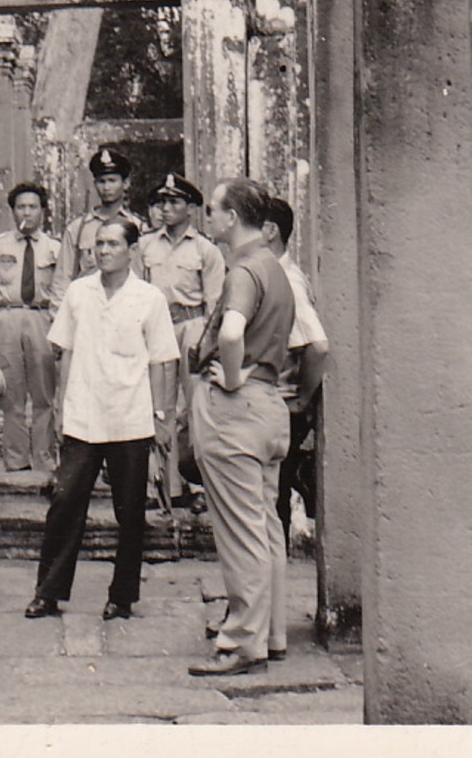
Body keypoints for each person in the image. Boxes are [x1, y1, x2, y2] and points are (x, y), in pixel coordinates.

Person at [24, 218, 179, 621]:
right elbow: (67, 352)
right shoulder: (79, 292)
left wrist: (162, 417)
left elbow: (163, 360)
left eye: (112, 244)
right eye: (98, 245)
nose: (103, 251)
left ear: (132, 251)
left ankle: (122, 596)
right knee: (65, 502)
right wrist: (60, 405)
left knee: (130, 511)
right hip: (83, 415)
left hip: (131, 416)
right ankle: (48, 592)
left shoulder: (149, 299)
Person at [187, 178, 295, 676]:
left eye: (212, 210)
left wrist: (230, 377)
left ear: (232, 219)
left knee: (241, 533)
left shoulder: (243, 270)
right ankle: (270, 634)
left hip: (237, 411)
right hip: (270, 407)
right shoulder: (274, 266)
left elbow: (231, 332)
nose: (208, 218)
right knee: (266, 528)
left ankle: (240, 643)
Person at [136, 173, 225, 514]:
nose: (166, 209)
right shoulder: (145, 246)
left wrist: (206, 344)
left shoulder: (206, 249)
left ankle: (201, 484)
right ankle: (166, 486)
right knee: (160, 406)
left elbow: (216, 303)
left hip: (193, 325)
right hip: (158, 327)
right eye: (162, 202)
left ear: (190, 208)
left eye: (175, 202)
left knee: (198, 408)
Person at [0, 183, 63, 473]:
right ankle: (15, 460)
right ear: (13, 211)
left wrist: (59, 330)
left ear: (42, 211)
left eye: (32, 206)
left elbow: (62, 292)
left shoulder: (55, 249)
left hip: (41, 319)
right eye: (21, 207)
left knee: (44, 394)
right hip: (6, 317)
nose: (27, 212)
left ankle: (44, 459)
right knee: (9, 393)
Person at [263, 196, 329, 551]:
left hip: (281, 406)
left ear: (270, 232)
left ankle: (271, 595)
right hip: (272, 406)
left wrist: (301, 399)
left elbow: (317, 346)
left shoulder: (287, 279)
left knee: (271, 507)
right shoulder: (271, 274)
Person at [52, 147, 146, 294]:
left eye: (112, 181)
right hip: (87, 306)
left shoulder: (138, 227)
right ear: (95, 184)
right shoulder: (78, 229)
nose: (106, 187)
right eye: (101, 181)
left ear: (125, 183)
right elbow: (62, 279)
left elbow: (143, 276)